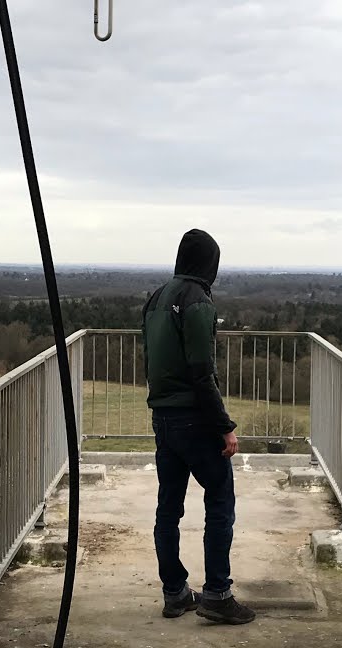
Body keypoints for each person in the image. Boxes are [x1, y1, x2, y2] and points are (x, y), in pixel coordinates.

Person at [141, 229, 256, 625]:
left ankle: (175, 593)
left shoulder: (157, 298)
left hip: (164, 419)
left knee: (168, 508)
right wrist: (224, 427)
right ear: (210, 264)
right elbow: (202, 373)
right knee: (220, 501)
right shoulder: (198, 301)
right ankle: (217, 594)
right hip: (195, 419)